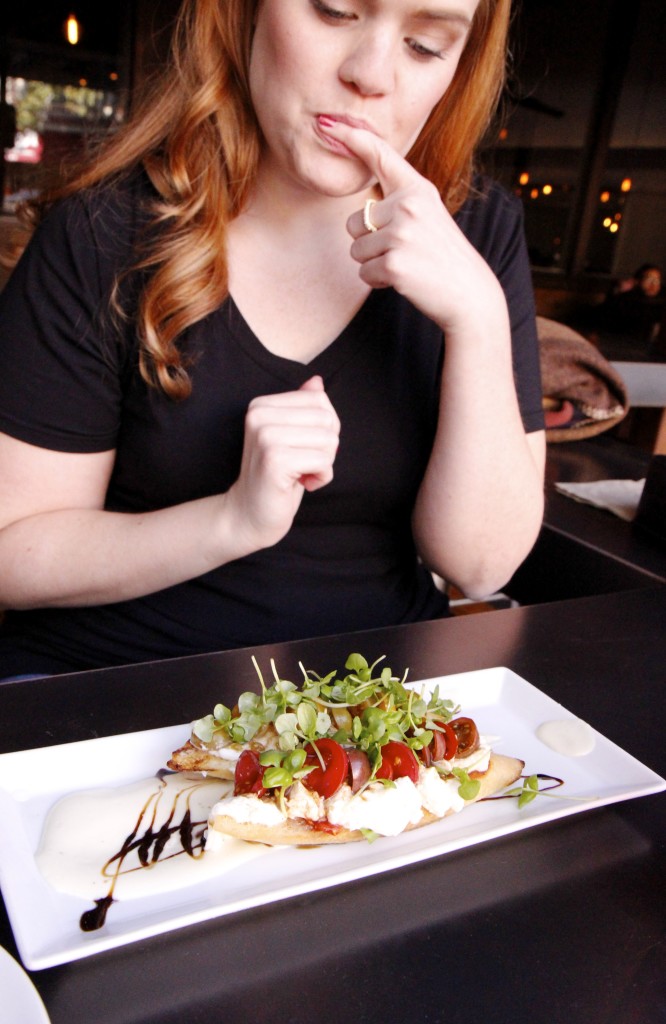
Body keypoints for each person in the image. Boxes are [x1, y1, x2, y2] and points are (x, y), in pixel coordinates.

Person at [0, 0, 546, 678]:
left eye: (426, 46)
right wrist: (231, 522)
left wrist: (478, 320)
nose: (371, 75)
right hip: (111, 685)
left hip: (375, 704)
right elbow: (10, 550)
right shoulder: (102, 234)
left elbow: (481, 566)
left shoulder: (478, 229)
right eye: (335, 11)